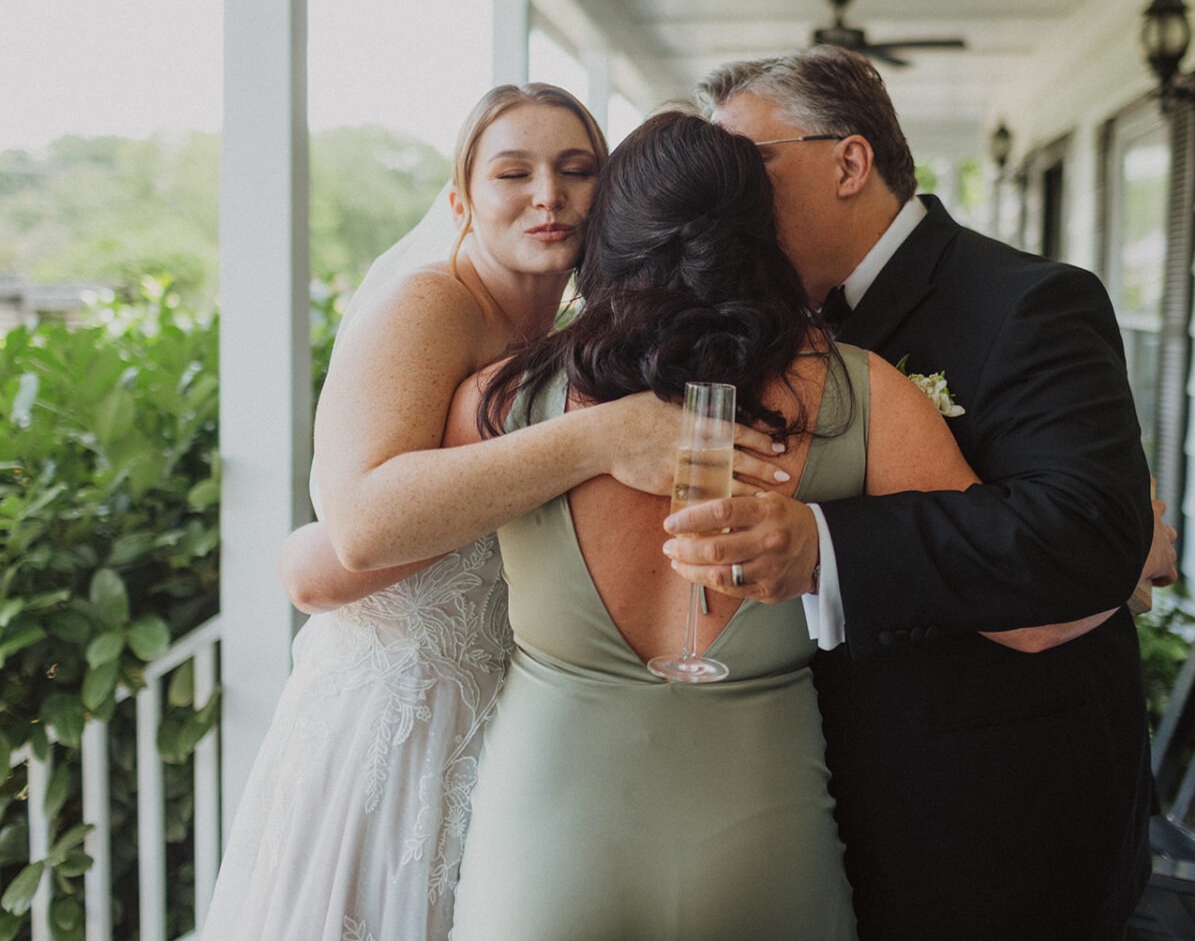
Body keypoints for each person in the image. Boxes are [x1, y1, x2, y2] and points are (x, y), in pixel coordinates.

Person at [441, 111, 1112, 940]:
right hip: (765, 844)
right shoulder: (859, 395)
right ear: (762, 234)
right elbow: (1036, 617)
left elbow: (365, 546)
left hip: (542, 848)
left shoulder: (500, 400)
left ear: (606, 237)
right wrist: (1131, 562)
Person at [201, 84, 780, 941]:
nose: (548, 196)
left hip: (504, 729)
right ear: (461, 200)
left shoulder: (573, 340)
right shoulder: (430, 306)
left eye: (577, 170)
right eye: (514, 172)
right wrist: (597, 440)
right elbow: (357, 533)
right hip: (393, 731)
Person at [666, 46, 1172, 939]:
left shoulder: (1030, 302)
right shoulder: (765, 320)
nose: (727, 198)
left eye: (749, 166)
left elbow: (1084, 533)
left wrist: (825, 546)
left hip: (996, 806)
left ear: (849, 162)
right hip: (811, 795)